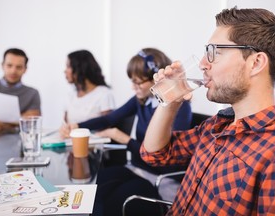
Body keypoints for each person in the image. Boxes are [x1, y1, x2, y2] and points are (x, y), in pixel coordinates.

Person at [140, 7, 275, 215]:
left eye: (215, 52)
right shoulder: (217, 126)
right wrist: (170, 100)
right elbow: (155, 154)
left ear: (256, 63)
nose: (204, 64)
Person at [61, 47, 192, 216]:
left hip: (160, 179)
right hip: (136, 169)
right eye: (132, 81)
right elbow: (109, 119)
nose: (133, 87)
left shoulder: (179, 108)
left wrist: (122, 138)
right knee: (93, 190)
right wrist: (77, 125)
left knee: (112, 203)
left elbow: (166, 160)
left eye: (138, 82)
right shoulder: (143, 99)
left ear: (157, 79)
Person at [0, 48, 41, 137]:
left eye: (19, 67)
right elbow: (23, 120)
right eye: (9, 65)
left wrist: (3, 126)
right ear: (2, 65)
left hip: (15, 144)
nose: (13, 71)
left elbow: (31, 123)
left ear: (25, 69)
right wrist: (17, 120)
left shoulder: (32, 93)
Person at [62, 50, 115, 124]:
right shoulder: (71, 95)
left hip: (95, 136)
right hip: (71, 136)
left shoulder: (104, 94)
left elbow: (107, 125)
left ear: (80, 69)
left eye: (68, 66)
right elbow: (66, 125)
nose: (65, 71)